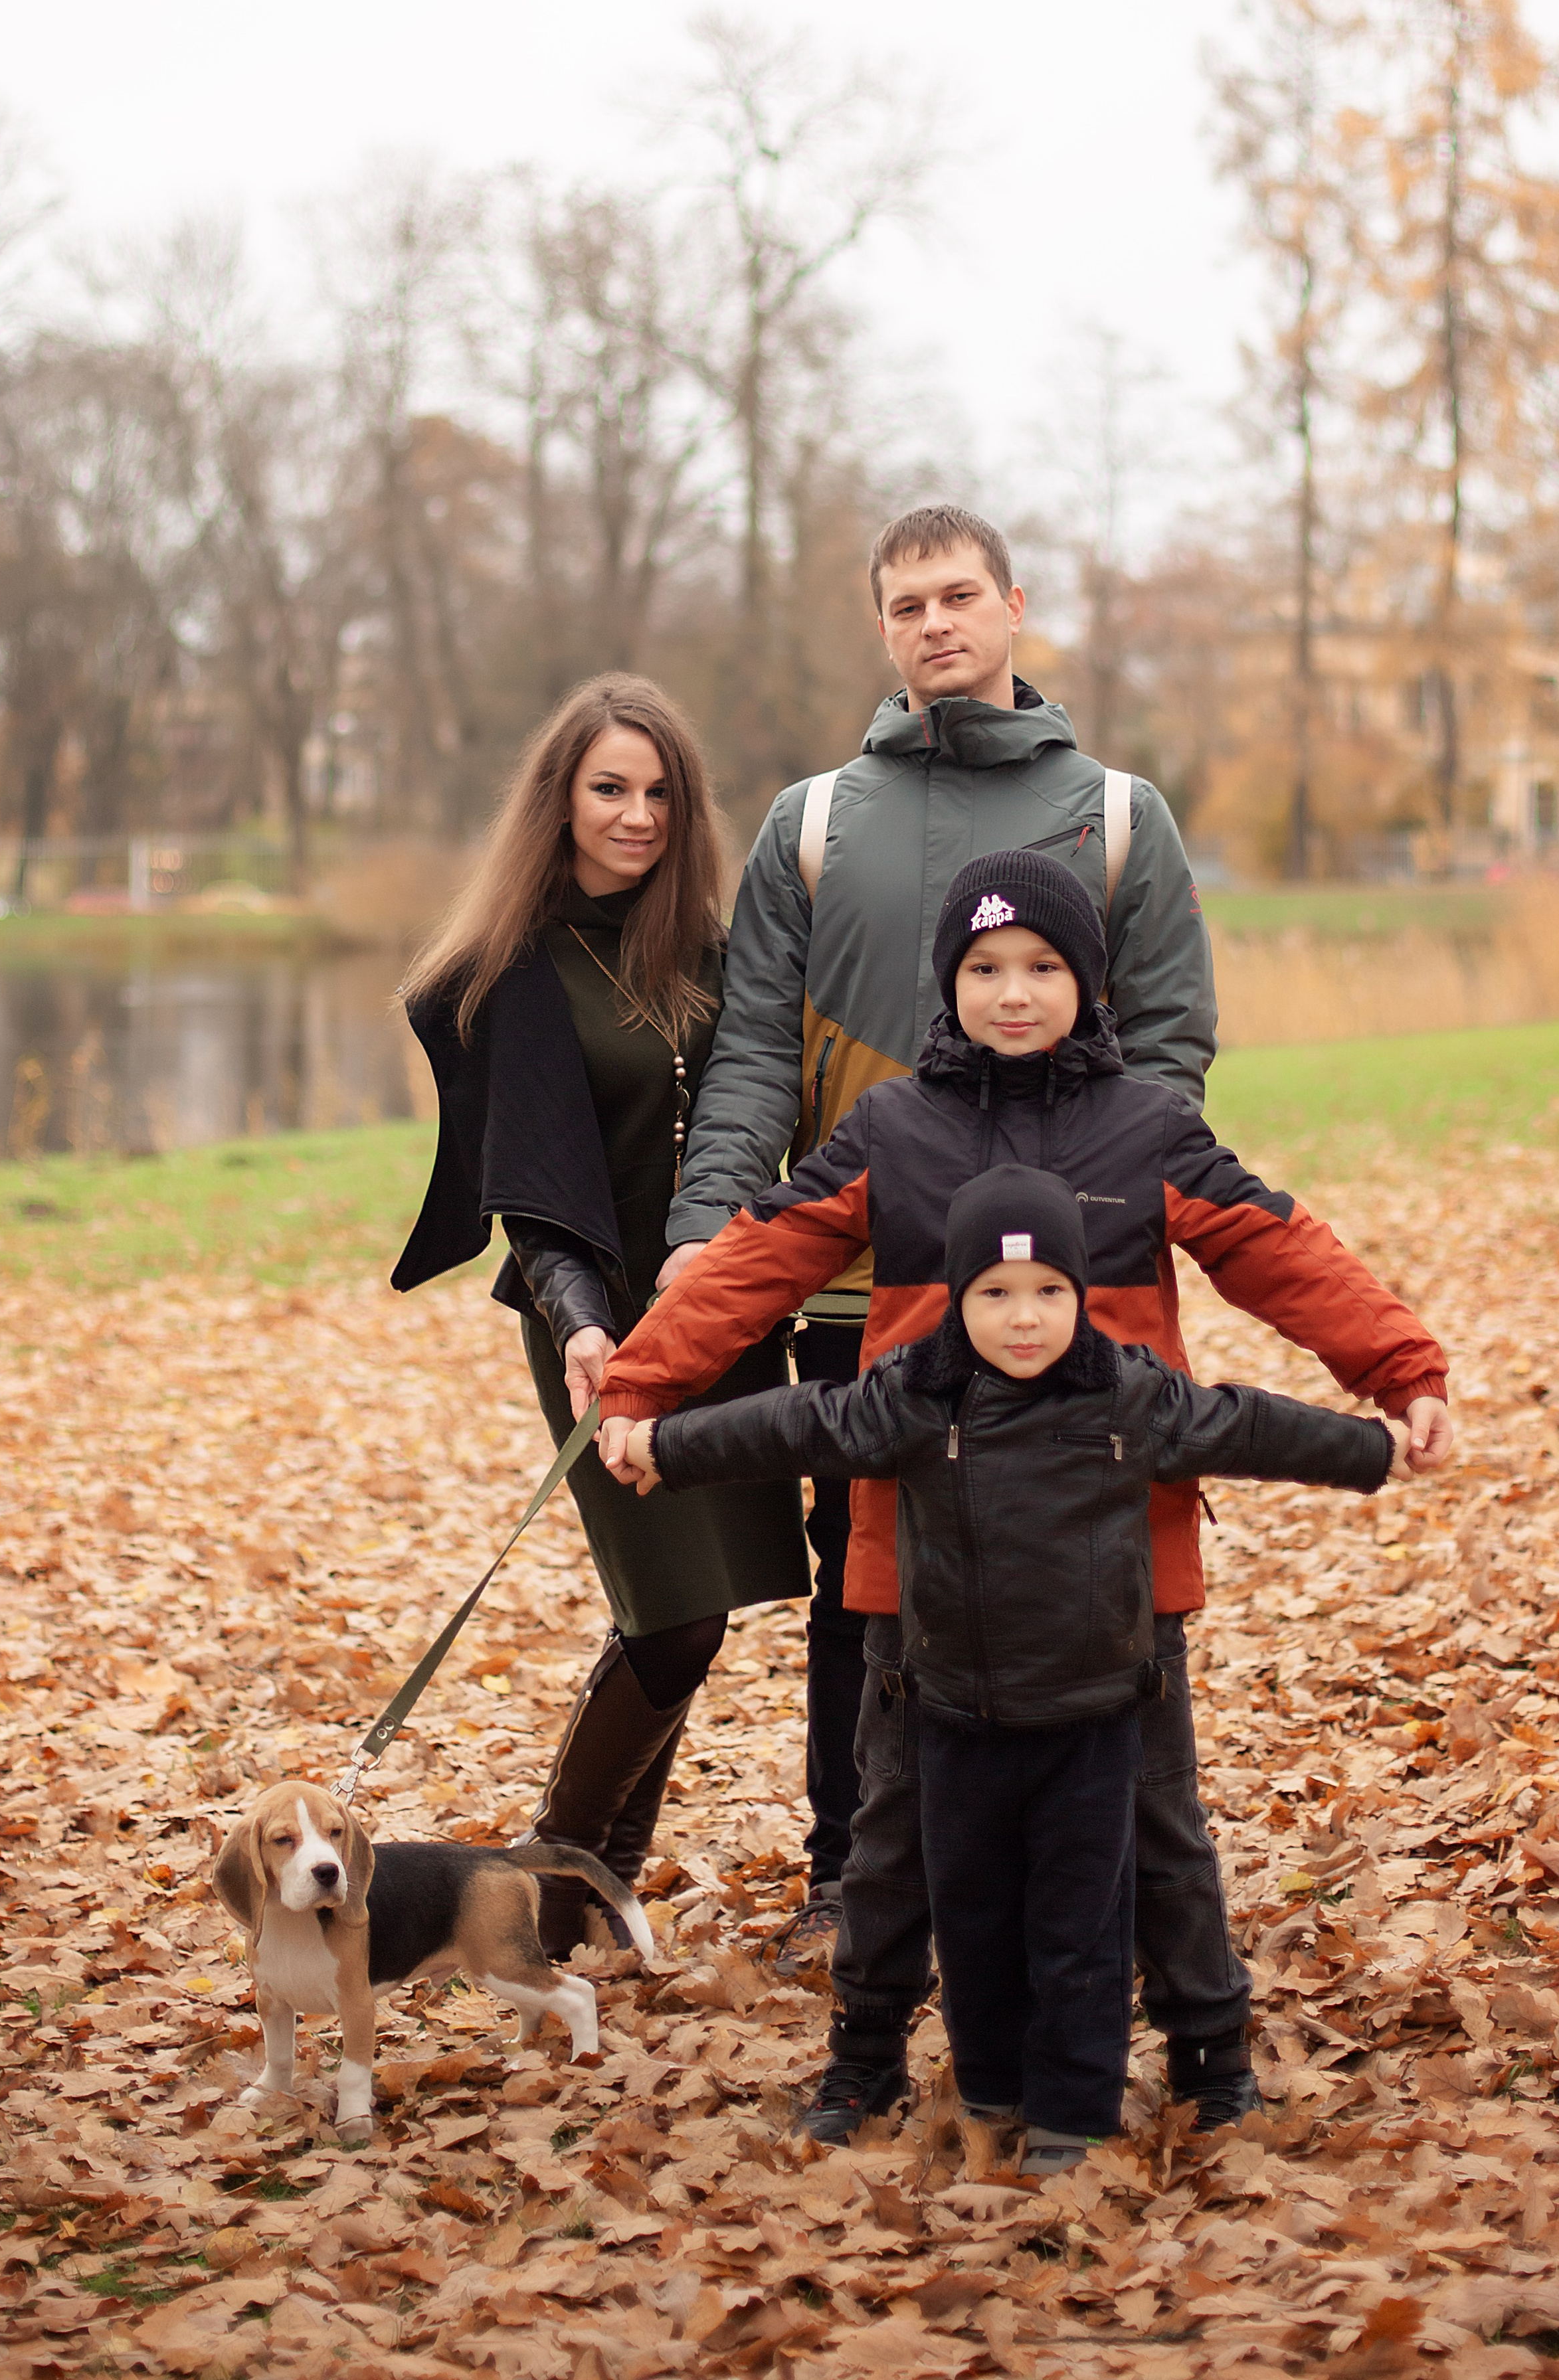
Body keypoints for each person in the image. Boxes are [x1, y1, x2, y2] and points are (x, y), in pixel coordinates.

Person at [598, 851, 1451, 2134]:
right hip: (920, 1546)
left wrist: (1402, 1368)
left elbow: (1279, 1249)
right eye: (985, 969)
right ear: (950, 986)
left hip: (1116, 1554)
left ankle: (1211, 2058)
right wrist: (643, 1386)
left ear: (1087, 982)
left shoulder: (1147, 1128)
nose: (1013, 992)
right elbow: (758, 1258)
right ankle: (867, 2055)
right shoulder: (893, 1131)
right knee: (894, 1831)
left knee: (1157, 1826)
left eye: (1043, 967)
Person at [652, 503, 1216, 1966]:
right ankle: (853, 1876)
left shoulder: (1114, 818)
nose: (933, 624)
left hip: (1059, 1282)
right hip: (857, 1283)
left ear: (1014, 606)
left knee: (1074, 1568)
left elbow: (1165, 1051)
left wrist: (1099, 1224)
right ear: (881, 627)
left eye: (958, 596)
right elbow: (753, 1056)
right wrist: (706, 1233)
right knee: (864, 1580)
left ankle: (1100, 1874)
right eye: (905, 606)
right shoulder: (811, 822)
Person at [620, 1165, 1408, 2175]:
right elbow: (794, 1423)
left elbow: (1246, 1424)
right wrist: (664, 1445)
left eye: (1049, 1294)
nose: (1024, 1319)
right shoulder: (916, 1396)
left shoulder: (1129, 1394)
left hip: (1093, 1720)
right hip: (956, 1717)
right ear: (956, 1299)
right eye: (995, 1295)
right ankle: (994, 2091)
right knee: (977, 1920)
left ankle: (1072, 2120)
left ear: (1082, 1298)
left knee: (1081, 1930)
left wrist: (1372, 1450)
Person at [392, 673, 808, 1957]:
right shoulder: (520, 968)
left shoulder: (701, 947)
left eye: (658, 792)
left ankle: (592, 1892)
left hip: (725, 1311)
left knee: (704, 1606)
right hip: (603, 1325)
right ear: (560, 801)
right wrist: (581, 1322)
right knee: (671, 1608)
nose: (636, 816)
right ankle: (555, 1902)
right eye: (608, 790)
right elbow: (534, 1184)